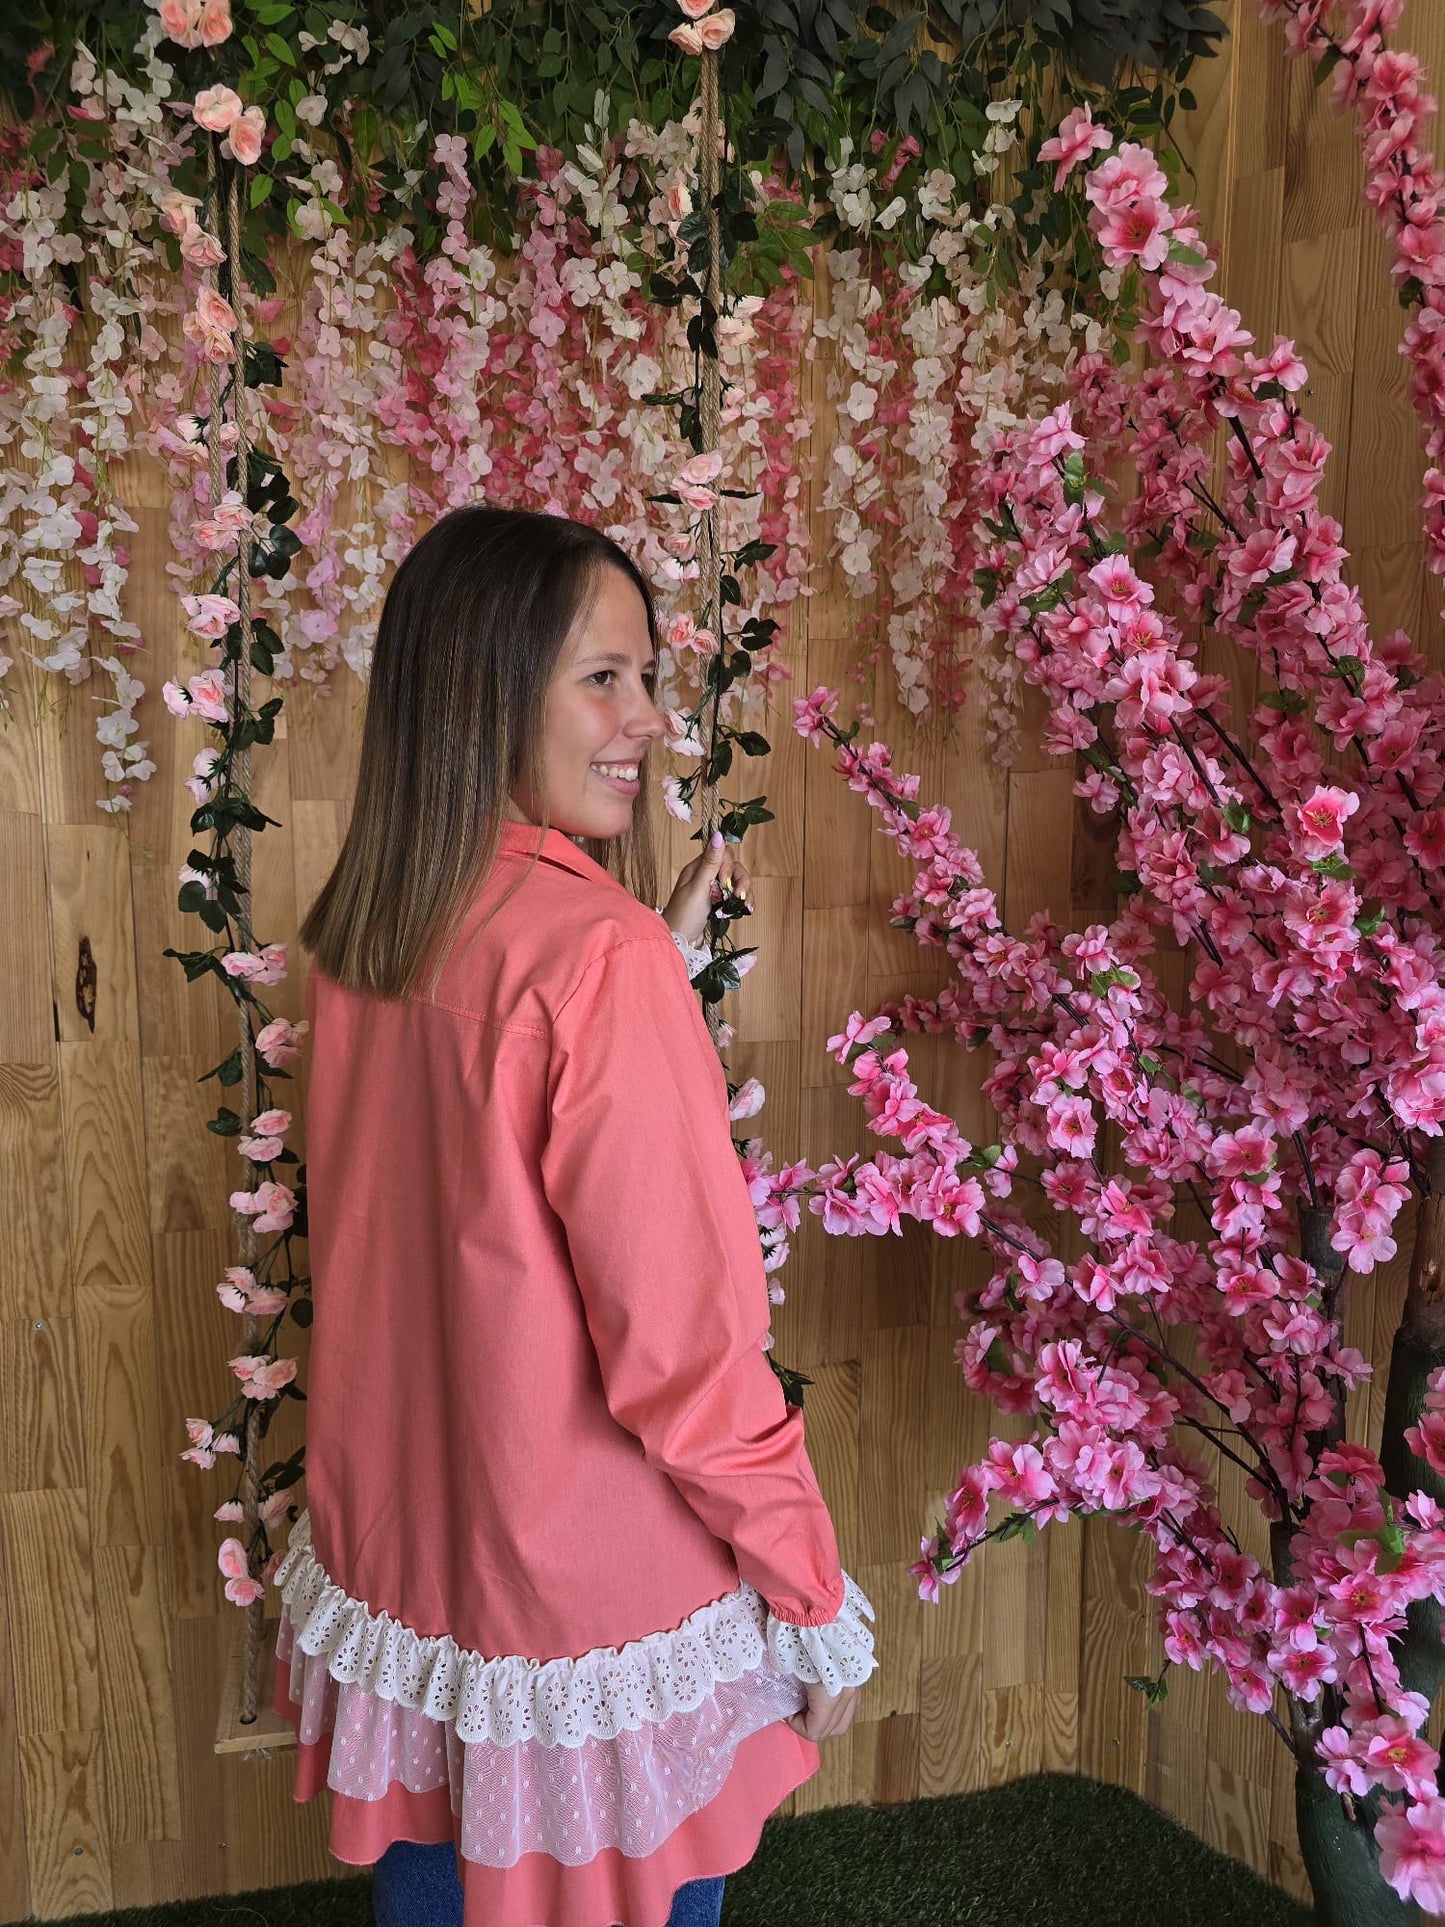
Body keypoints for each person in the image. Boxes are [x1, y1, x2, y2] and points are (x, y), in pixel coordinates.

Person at [271, 505, 877, 1927]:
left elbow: (451, 1183)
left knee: (435, 1881)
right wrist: (807, 1586)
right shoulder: (592, 963)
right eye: (602, 677)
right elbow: (682, 1348)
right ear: (489, 686)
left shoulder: (374, 920)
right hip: (585, 1605)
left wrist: (643, 969)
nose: (651, 722)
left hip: (416, 1570)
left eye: (646, 678)